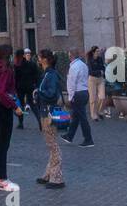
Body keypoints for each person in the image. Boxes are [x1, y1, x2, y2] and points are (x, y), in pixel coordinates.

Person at [0, 44, 22, 192]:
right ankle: (2, 178)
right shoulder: (6, 69)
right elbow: (1, 91)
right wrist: (15, 106)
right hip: (3, 107)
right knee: (3, 144)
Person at [34, 50, 66, 188]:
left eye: (39, 57)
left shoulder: (50, 75)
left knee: (53, 144)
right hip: (47, 112)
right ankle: (48, 174)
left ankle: (57, 178)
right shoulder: (48, 73)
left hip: (50, 113)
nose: (38, 59)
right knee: (50, 143)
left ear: (45, 59)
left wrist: (38, 92)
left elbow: (51, 94)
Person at [62, 49, 94, 147]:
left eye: (68, 55)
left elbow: (72, 83)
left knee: (82, 117)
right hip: (84, 92)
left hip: (78, 93)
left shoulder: (73, 67)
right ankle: (69, 136)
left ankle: (88, 139)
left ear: (71, 55)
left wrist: (71, 97)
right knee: (76, 116)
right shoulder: (83, 65)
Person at [14, 49, 41, 130]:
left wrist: (14, 87)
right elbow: (37, 75)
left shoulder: (16, 65)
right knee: (33, 105)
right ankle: (40, 122)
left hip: (20, 87)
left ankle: (21, 123)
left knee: (20, 105)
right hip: (30, 87)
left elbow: (15, 78)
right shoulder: (32, 64)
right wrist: (36, 85)